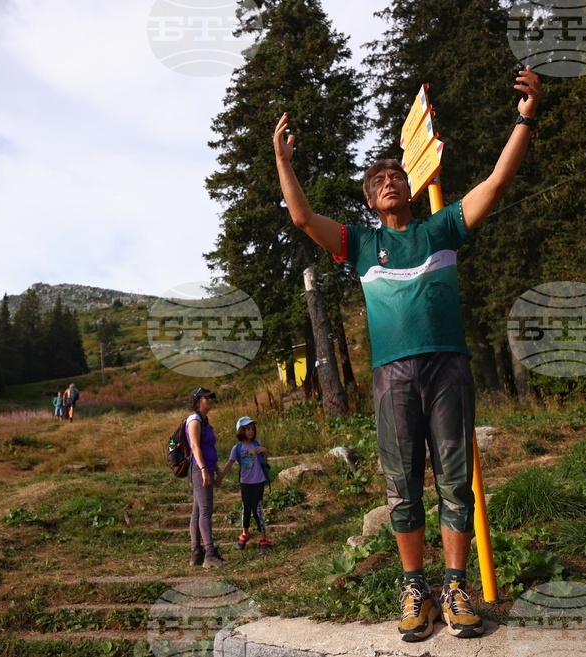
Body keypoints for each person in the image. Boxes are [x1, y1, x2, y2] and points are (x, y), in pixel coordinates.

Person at [273, 67, 543, 641]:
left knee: (454, 481)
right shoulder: (362, 244)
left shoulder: (443, 227)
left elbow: (495, 182)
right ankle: (414, 587)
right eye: (379, 180)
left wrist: (524, 119)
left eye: (396, 174)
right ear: (371, 201)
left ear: (411, 188)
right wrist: (284, 162)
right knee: (401, 486)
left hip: (448, 366)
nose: (390, 181)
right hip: (392, 376)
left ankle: (454, 585)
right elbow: (300, 218)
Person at [186, 387, 229, 569]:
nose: (210, 400)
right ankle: (210, 554)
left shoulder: (204, 421)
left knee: (197, 511)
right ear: (197, 402)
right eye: (206, 398)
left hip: (206, 468)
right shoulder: (194, 420)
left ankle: (196, 553)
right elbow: (195, 447)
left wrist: (217, 469)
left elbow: (208, 449)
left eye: (211, 397)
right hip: (199, 469)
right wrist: (204, 469)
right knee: (205, 510)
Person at [217, 416, 271, 551]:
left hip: (259, 482)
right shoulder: (237, 448)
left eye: (252, 429)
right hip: (246, 483)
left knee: (257, 510)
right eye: (247, 429)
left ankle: (263, 538)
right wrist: (220, 477)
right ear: (241, 430)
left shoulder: (257, 444)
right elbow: (230, 464)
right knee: (246, 509)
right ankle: (245, 534)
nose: (251, 431)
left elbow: (264, 463)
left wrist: (265, 452)